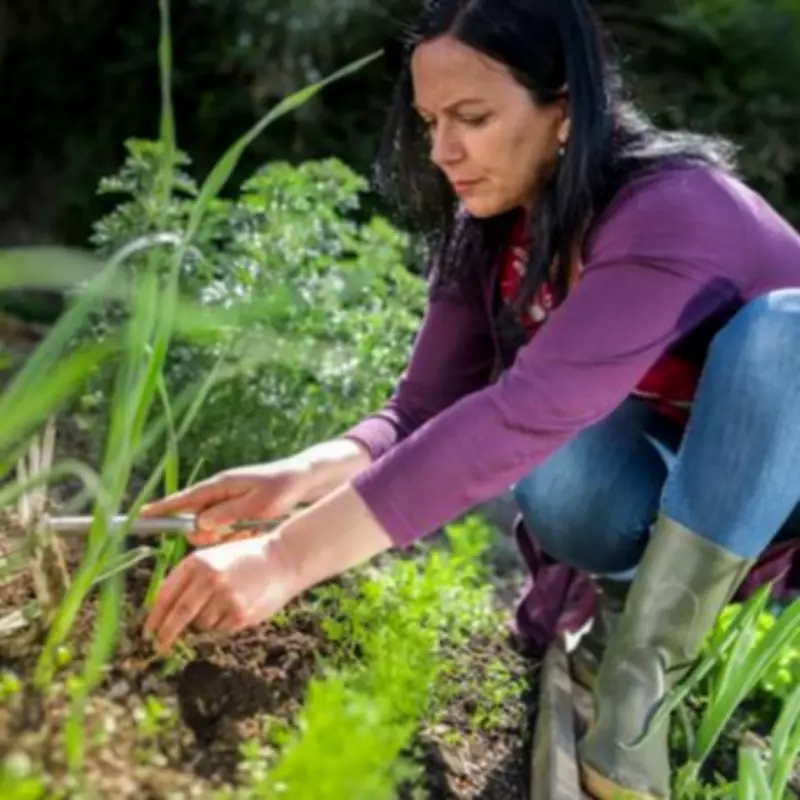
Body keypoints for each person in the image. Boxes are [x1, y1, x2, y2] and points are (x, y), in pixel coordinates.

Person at [141, 1, 800, 798]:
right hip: (680, 472)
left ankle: (642, 683)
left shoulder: (675, 211)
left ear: (565, 110)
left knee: (785, 329)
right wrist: (298, 477)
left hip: (783, 491)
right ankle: (626, 612)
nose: (442, 150)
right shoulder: (495, 223)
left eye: (473, 118)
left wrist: (284, 559)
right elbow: (423, 410)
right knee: (559, 459)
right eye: (430, 121)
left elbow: (517, 414)